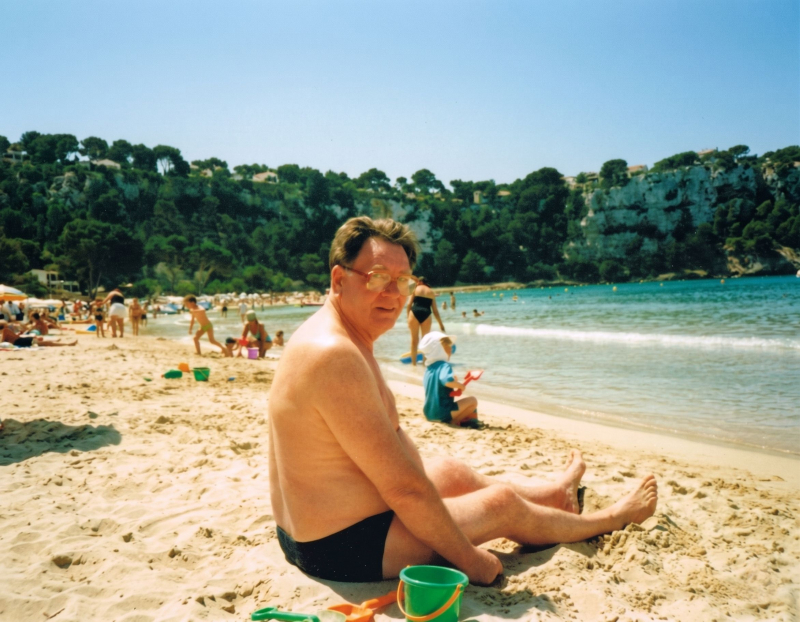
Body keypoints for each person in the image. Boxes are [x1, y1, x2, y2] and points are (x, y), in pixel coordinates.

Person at [268, 216, 658, 585]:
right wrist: (472, 561)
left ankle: (555, 496)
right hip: (341, 548)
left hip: (309, 530)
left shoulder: (333, 334)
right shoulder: (335, 355)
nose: (392, 294)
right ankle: (610, 518)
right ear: (339, 279)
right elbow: (404, 490)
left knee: (453, 472)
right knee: (501, 504)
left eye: (402, 281)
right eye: (378, 278)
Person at [418, 331, 482, 429]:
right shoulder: (444, 365)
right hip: (442, 412)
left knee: (466, 403)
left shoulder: (429, 369)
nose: (451, 348)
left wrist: (453, 384)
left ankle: (463, 420)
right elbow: (446, 381)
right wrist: (460, 385)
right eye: (447, 346)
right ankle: (454, 422)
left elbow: (438, 386)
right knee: (473, 401)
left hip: (429, 413)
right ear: (438, 349)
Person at [406, 276, 445, 367]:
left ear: (420, 282)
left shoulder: (415, 289)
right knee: (425, 341)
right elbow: (435, 311)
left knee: (414, 340)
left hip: (414, 313)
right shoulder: (431, 292)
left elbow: (409, 305)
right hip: (426, 314)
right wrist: (440, 324)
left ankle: (414, 364)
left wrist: (408, 317)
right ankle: (424, 363)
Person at [1, 321, 76, 347]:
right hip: (22, 340)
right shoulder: (6, 330)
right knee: (46, 343)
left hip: (22, 341)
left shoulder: (5, 331)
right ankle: (66, 344)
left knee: (46, 343)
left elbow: (3, 341)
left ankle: (67, 344)